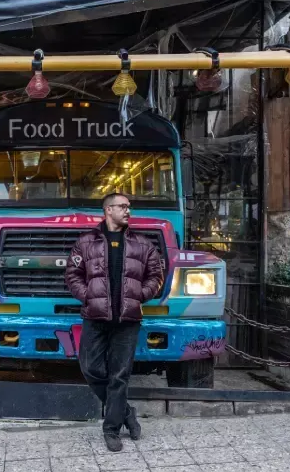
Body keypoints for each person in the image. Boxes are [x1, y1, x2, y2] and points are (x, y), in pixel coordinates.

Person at [65, 192, 164, 452]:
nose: (128, 211)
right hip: (95, 317)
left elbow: (156, 274)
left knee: (120, 376)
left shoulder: (143, 244)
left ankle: (111, 429)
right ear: (108, 210)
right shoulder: (85, 242)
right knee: (90, 369)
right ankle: (127, 413)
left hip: (128, 319)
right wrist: (88, 296)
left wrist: (140, 295)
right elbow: (72, 274)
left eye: (129, 207)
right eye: (122, 207)